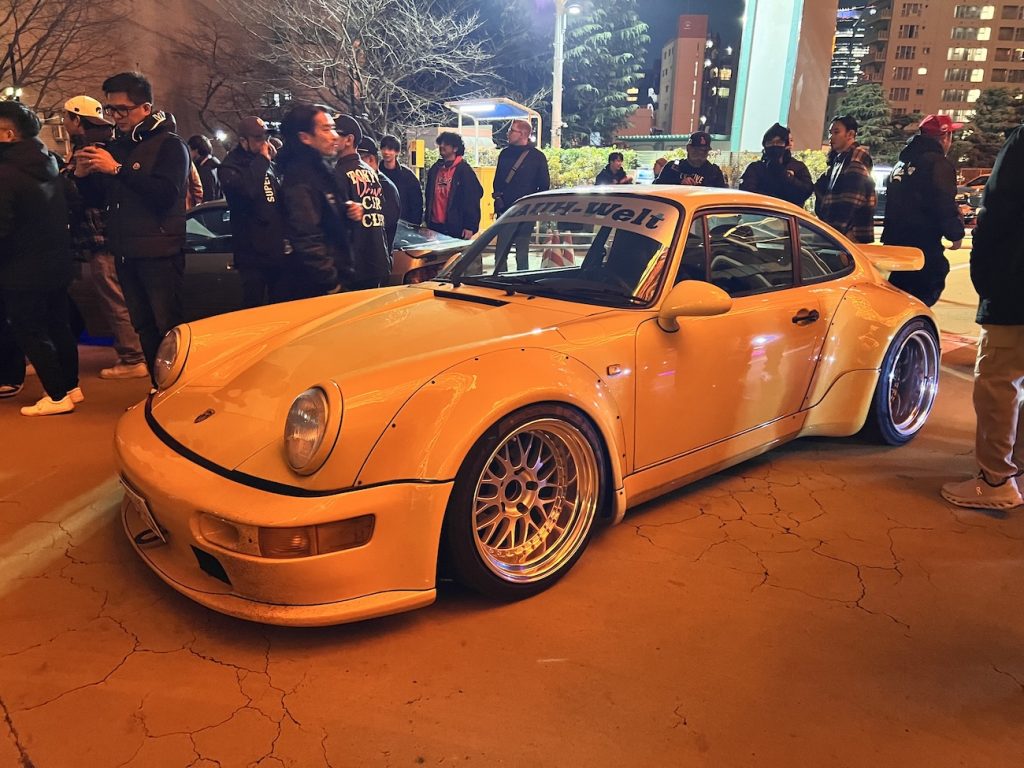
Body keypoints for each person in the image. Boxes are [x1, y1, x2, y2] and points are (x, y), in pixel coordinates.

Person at [74, 71, 190, 376]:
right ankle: (156, 385)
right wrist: (82, 176)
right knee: (143, 327)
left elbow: (165, 195)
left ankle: (178, 386)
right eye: (110, 109)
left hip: (160, 252)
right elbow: (100, 199)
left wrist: (118, 170)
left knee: (169, 329)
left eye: (122, 110)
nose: (115, 117)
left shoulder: (170, 145)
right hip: (124, 251)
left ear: (146, 108)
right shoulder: (118, 146)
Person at [941, 125, 1024, 510]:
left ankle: (995, 480)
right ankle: (1015, 471)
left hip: (1015, 283)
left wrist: (986, 275)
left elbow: (998, 210)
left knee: (998, 381)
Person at [0, 100, 81, 416]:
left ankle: (57, 396)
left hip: (20, 268)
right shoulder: (46, 162)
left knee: (29, 329)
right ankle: (71, 387)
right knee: (58, 325)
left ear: (8, 134)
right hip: (54, 262)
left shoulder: (6, 173)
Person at [63, 95, 148, 379]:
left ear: (77, 119)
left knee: (115, 300)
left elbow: (89, 196)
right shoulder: (109, 144)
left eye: (66, 117)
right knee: (122, 297)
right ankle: (134, 353)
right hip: (113, 235)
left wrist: (75, 178)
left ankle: (132, 357)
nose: (64, 123)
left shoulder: (89, 151)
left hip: (101, 238)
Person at [882, 114, 965, 307]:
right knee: (921, 297)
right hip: (922, 245)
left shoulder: (901, 164)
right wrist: (955, 233)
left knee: (899, 297)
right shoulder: (938, 164)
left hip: (896, 243)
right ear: (945, 137)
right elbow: (943, 201)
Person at [276, 104, 346, 299]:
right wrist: (331, 282)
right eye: (326, 129)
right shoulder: (299, 178)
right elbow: (306, 237)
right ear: (305, 137)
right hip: (314, 288)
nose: (334, 136)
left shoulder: (322, 171)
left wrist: (346, 210)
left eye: (333, 128)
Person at [218, 116, 286, 307]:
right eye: (258, 139)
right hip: (252, 254)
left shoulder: (268, 163)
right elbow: (247, 191)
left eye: (266, 137)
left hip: (275, 250)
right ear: (243, 141)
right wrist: (262, 161)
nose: (264, 143)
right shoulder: (230, 166)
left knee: (281, 306)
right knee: (254, 306)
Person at [333, 116, 391, 290]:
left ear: (349, 140)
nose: (330, 137)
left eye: (335, 133)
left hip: (354, 265)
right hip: (378, 259)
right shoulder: (371, 172)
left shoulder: (339, 173)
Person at [493, 119, 549, 270]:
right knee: (500, 253)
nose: (508, 133)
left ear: (523, 134)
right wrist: (498, 198)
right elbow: (497, 181)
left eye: (512, 130)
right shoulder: (504, 154)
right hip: (506, 210)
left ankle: (521, 280)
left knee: (522, 252)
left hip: (526, 212)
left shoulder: (537, 157)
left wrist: (533, 207)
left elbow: (544, 185)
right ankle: (499, 280)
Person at [813, 115, 876, 243]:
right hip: (840, 233)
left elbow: (851, 200)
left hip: (848, 236)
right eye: (830, 133)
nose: (831, 137)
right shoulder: (839, 159)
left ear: (850, 134)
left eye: (836, 132)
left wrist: (837, 232)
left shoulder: (855, 158)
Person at [424, 131, 483, 239]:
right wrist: (427, 221)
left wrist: (470, 226)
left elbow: (472, 199)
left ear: (455, 148)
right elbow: (429, 197)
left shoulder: (465, 171)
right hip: (434, 227)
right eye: (440, 143)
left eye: (446, 144)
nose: (442, 146)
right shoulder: (435, 169)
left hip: (456, 228)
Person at [739, 123, 814, 206]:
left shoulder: (798, 167)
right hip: (760, 212)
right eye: (770, 143)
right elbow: (747, 193)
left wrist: (786, 176)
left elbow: (805, 192)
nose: (774, 146)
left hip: (788, 212)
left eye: (779, 142)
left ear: (786, 145)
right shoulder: (755, 168)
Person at [357, 136, 401, 251]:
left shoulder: (386, 187)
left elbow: (387, 224)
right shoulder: (363, 183)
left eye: (359, 160)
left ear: (371, 159)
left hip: (380, 252)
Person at [379, 134, 423, 226]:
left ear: (397, 152)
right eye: (384, 148)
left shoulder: (408, 176)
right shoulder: (375, 173)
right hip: (380, 223)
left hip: (403, 224)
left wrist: (414, 225)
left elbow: (416, 204)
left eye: (390, 149)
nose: (386, 152)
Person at [655, 132, 726, 187]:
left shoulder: (714, 171)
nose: (700, 155)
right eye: (696, 151)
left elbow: (722, 194)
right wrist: (679, 182)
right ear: (688, 148)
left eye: (704, 151)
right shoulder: (673, 167)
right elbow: (657, 187)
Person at [187, 134, 221, 200]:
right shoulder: (214, 164)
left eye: (190, 150)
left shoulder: (205, 169)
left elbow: (207, 197)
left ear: (196, 150)